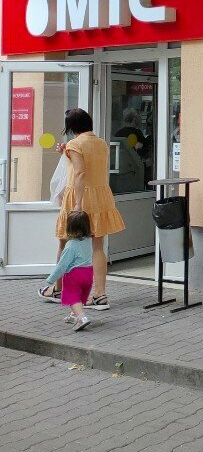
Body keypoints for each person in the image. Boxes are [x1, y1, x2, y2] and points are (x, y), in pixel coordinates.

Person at [39, 108, 125, 310]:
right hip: (100, 196)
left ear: (71, 127)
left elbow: (80, 173)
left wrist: (77, 204)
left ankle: (58, 289)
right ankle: (100, 295)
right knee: (98, 247)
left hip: (79, 196)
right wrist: (66, 153)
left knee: (64, 242)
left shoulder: (75, 144)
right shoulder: (101, 143)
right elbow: (90, 166)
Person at [40, 211, 94, 332]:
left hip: (74, 275)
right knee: (80, 296)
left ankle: (82, 318)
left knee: (72, 297)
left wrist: (51, 279)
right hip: (88, 273)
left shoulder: (70, 245)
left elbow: (62, 265)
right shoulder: (89, 240)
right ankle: (74, 315)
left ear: (69, 227)